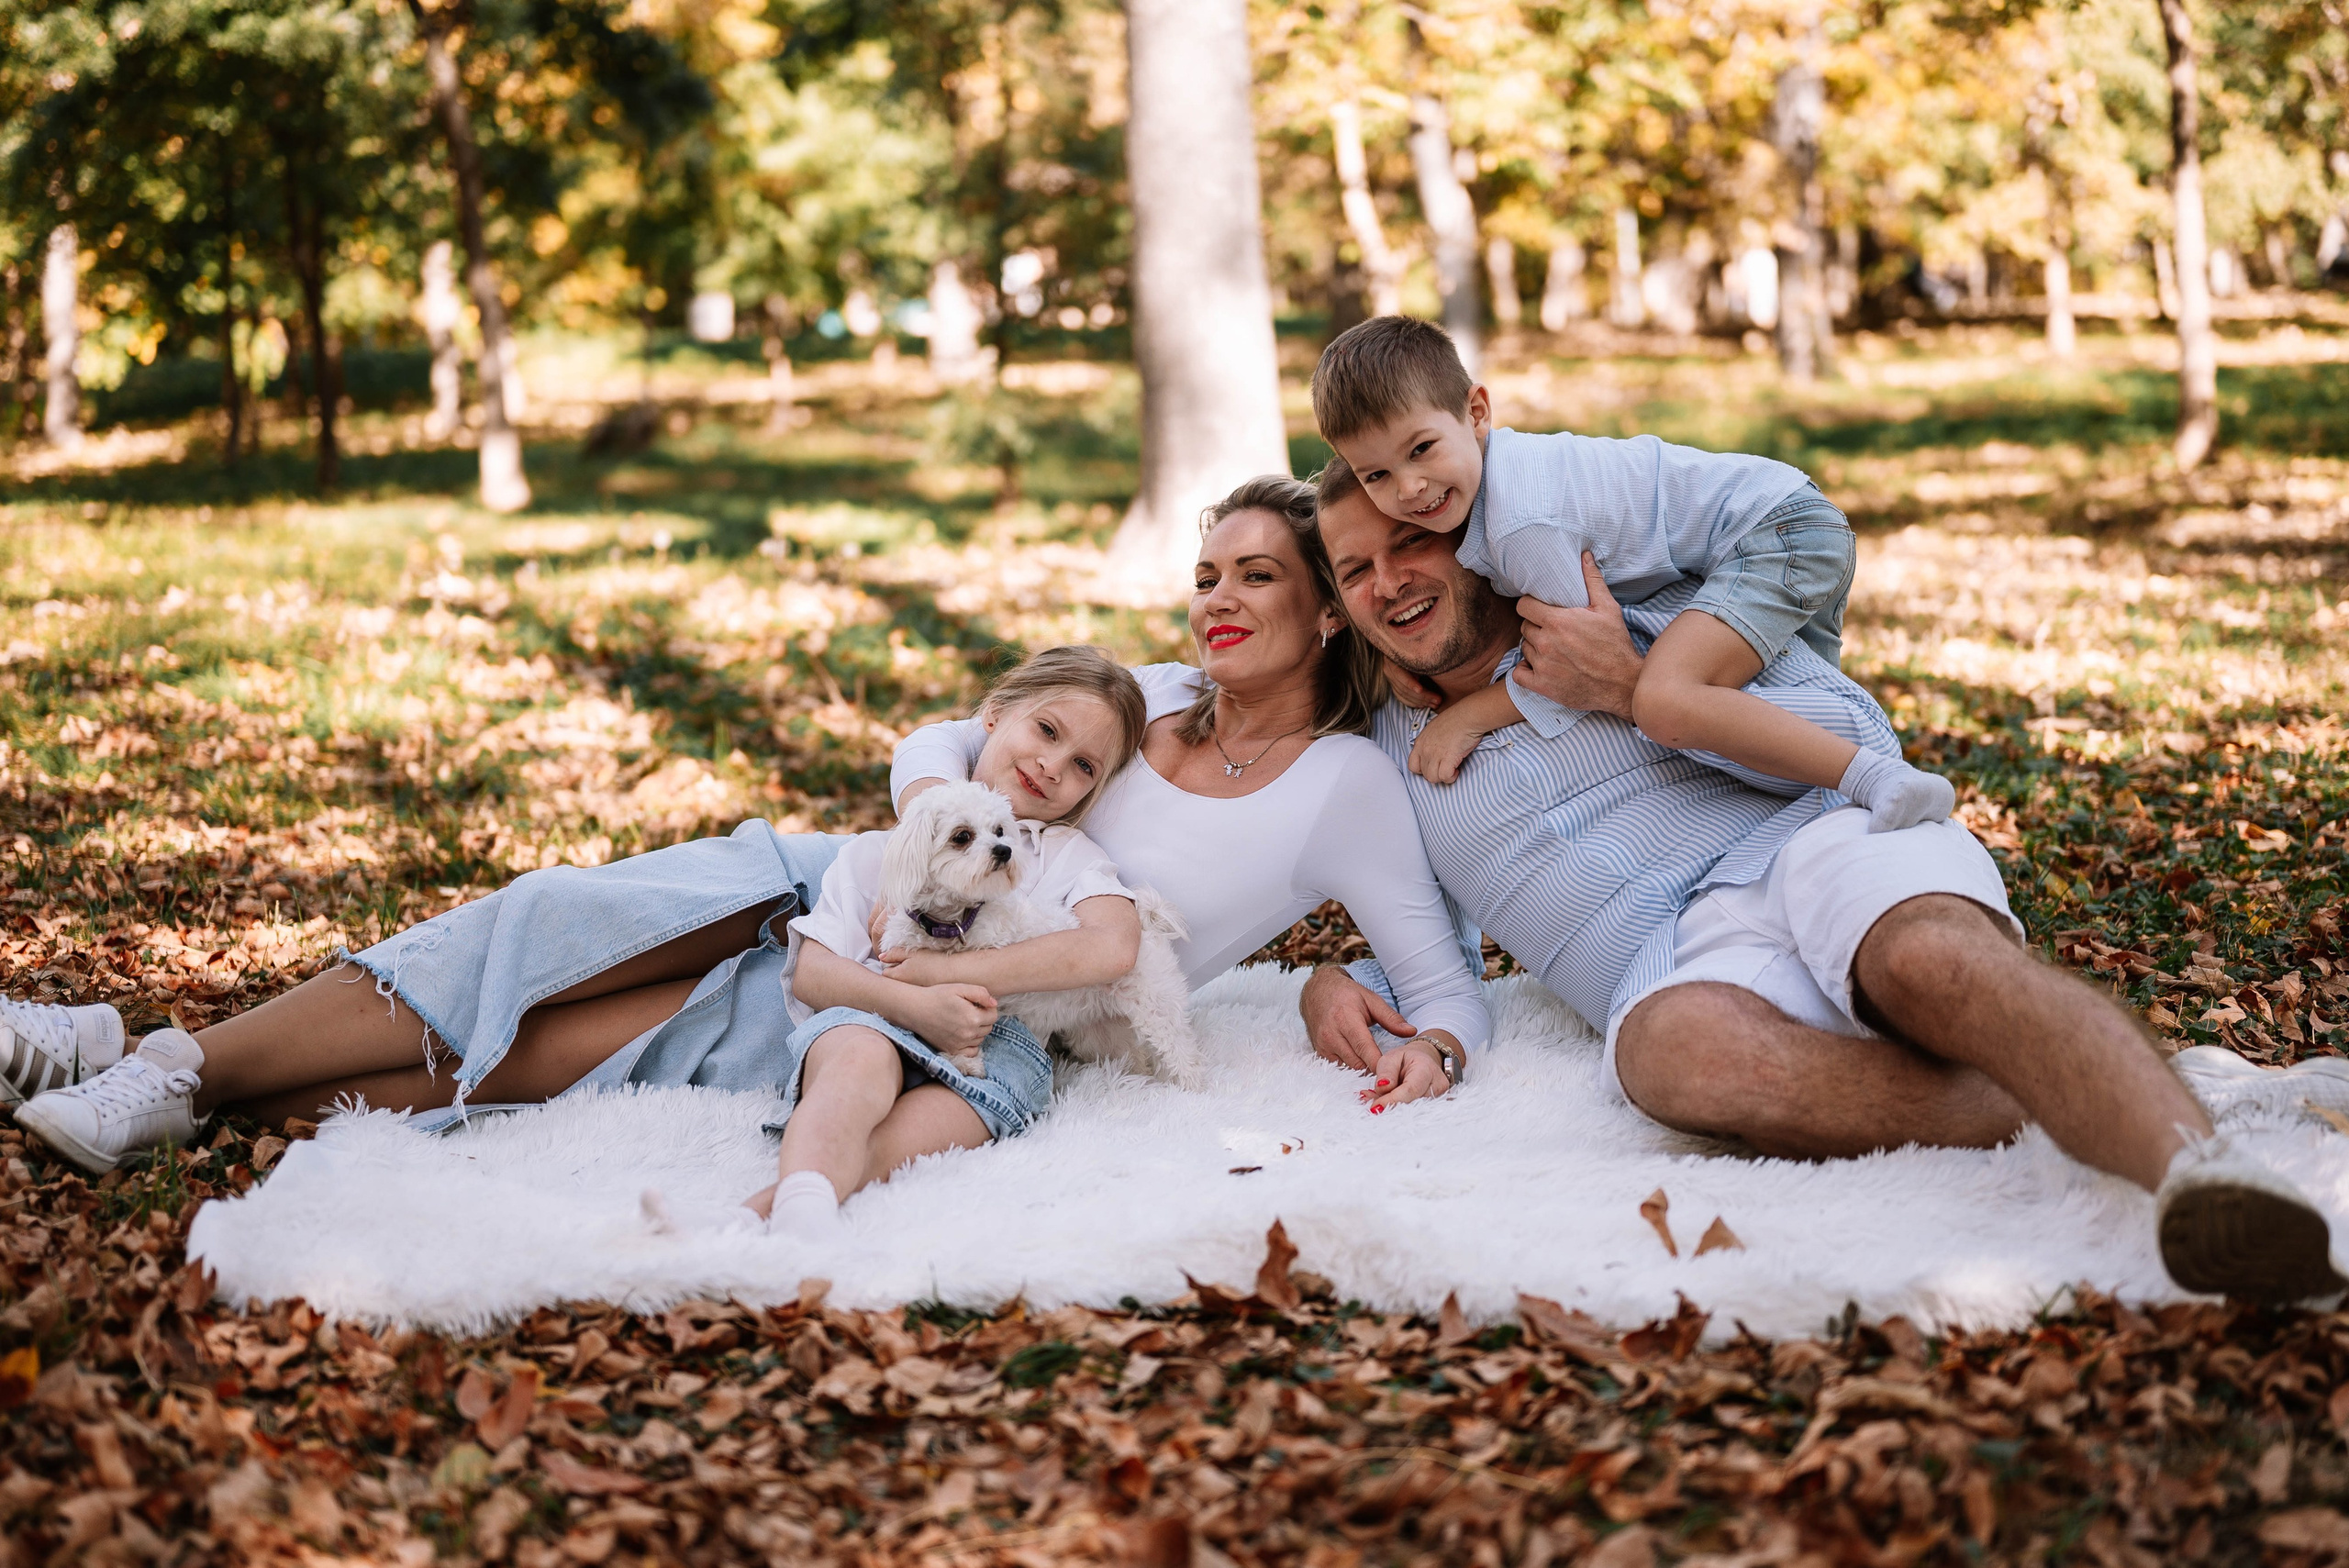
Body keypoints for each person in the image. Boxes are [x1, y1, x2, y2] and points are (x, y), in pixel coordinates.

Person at [1308, 467, 2346, 1302]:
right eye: (1355, 570)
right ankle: (2109, 1087)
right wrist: (1332, 981)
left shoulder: (1639, 605)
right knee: (1676, 1058)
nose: (1388, 580)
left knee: (1927, 958)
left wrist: (1631, 687)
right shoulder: (1386, 759)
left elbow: (1858, 743)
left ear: (1467, 528)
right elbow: (1419, 937)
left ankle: (2206, 1183)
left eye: (1409, 541)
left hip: (1814, 836)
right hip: (1665, 958)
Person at [891, 474, 1490, 1107]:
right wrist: (925, 831)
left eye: (1255, 576)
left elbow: (1445, 990)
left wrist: (1435, 1049)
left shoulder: (1345, 784)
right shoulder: (1153, 693)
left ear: (1330, 610)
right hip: (901, 923)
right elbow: (947, 737)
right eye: (1207, 581)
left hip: (997, 1023)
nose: (1217, 601)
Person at [1311, 315, 1953, 832]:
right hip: (1785, 518)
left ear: (1477, 411)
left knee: (1667, 699)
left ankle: (1883, 782)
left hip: (1774, 533)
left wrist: (1470, 714)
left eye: (1421, 449)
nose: (1411, 487)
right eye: (1377, 476)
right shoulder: (1501, 474)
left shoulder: (1521, 525)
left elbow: (1566, 666)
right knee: (1790, 708)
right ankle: (1853, 816)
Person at [745, 648, 1152, 1240]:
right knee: (857, 1060)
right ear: (993, 713)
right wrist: (913, 1004)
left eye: (1085, 765)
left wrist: (938, 974)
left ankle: (778, 1211)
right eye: (1046, 730)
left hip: (999, 1040)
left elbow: (1113, 948)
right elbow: (810, 970)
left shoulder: (1066, 855)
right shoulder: (892, 850)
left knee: (931, 1121)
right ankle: (791, 1213)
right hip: (878, 1013)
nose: (1052, 765)